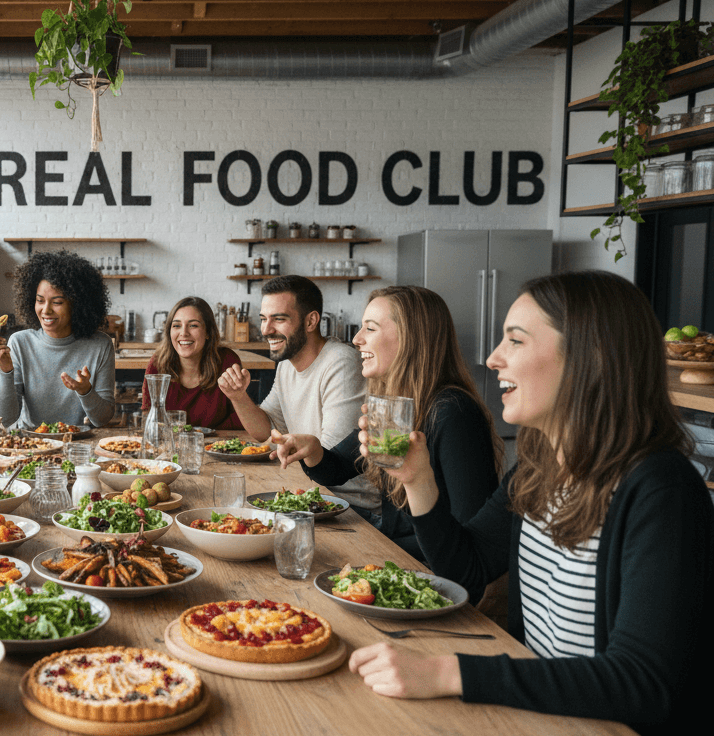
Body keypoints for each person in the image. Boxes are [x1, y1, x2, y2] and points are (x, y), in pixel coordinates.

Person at [347, 271, 712, 735]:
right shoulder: (538, 469)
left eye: (515, 341)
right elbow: (466, 571)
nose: (493, 358)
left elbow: (644, 682)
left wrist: (448, 672)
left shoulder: (660, 489)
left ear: (589, 356)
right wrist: (419, 481)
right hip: (533, 714)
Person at [271, 286, 501, 563]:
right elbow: (338, 468)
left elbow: (470, 541)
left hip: (425, 565)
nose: (356, 339)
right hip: (393, 546)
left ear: (410, 339)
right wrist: (313, 449)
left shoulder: (453, 412)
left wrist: (376, 553)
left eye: (370, 328)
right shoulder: (393, 404)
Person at [218, 275, 379, 516]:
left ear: (311, 321)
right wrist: (238, 396)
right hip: (311, 495)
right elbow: (266, 431)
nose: (266, 329)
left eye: (279, 319)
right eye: (263, 319)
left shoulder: (341, 363)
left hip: (351, 509)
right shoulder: (287, 364)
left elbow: (329, 459)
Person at [0, 250, 116, 429]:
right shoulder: (19, 342)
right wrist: (5, 371)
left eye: (57, 302)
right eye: (40, 301)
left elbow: (102, 419)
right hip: (31, 444)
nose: (46, 310)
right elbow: (6, 419)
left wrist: (85, 391)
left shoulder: (100, 345)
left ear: (77, 304)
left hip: (78, 445)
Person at [140, 296, 242, 429]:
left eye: (193, 325)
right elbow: (148, 418)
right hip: (170, 446)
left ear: (208, 332)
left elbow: (240, 418)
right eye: (177, 325)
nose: (184, 333)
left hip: (218, 447)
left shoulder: (227, 361)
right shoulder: (157, 364)